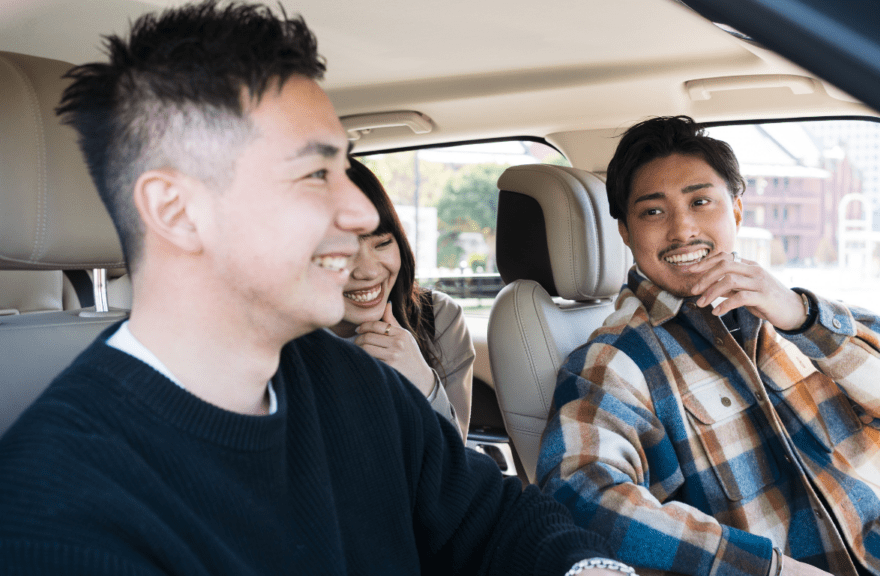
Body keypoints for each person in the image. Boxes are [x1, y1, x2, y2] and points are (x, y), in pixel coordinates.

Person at [0, 3, 633, 575]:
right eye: (313, 174)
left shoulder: (347, 380)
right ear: (176, 210)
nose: (360, 216)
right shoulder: (58, 515)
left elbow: (495, 521)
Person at [537, 116, 880, 576]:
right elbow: (580, 496)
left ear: (736, 210)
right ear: (625, 232)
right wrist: (767, 569)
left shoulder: (790, 312)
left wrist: (802, 318)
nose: (682, 230)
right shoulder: (616, 358)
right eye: (653, 211)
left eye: (701, 201)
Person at [329, 158, 474, 442]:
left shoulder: (439, 318)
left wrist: (423, 381)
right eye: (341, 252)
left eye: (382, 243)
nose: (369, 270)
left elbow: (458, 463)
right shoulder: (277, 341)